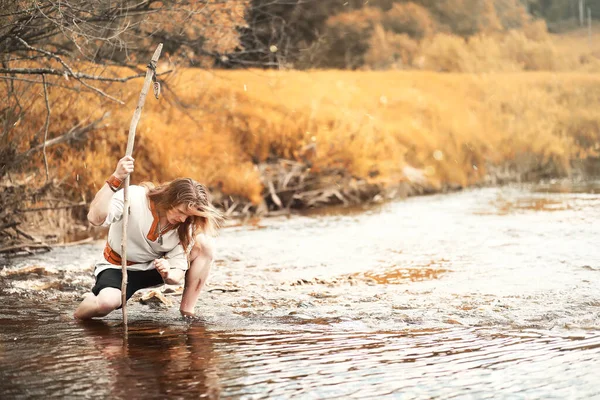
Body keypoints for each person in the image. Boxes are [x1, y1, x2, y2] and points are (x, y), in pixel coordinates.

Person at [74, 155, 223, 320]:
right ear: (169, 198)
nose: (182, 219)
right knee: (105, 303)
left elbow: (176, 277)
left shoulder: (185, 226)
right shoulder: (134, 196)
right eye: (180, 212)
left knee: (205, 245)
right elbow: (95, 218)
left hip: (154, 268)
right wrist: (116, 178)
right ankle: (76, 316)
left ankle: (187, 313)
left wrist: (167, 273)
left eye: (188, 216)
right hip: (119, 266)